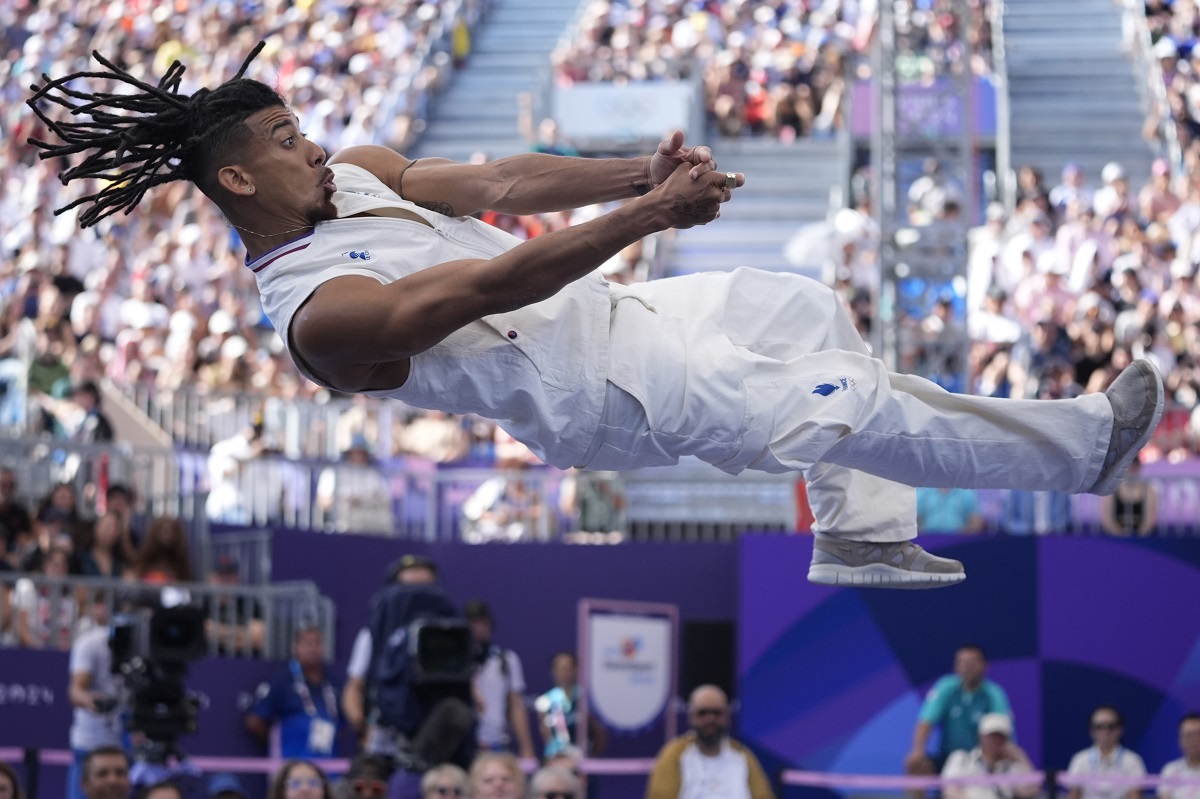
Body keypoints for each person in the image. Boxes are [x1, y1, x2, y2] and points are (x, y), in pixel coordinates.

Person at [29, 47, 1166, 590]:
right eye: (284, 143)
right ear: (237, 184)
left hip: (623, 315)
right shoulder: (316, 318)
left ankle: (860, 537)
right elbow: (479, 288)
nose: (313, 145)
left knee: (802, 303)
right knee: (840, 402)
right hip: (597, 395)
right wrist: (650, 216)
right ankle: (1080, 450)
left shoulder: (362, 170)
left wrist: (638, 173)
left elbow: (502, 187)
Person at [646, 684, 774, 799]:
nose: (710, 719)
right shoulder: (674, 755)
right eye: (703, 713)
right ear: (691, 717)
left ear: (727, 717)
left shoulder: (742, 757)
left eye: (717, 713)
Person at [906, 645, 1012, 780]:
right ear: (956, 666)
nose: (967, 667)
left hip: (982, 760)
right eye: (962, 662)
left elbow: (1004, 730)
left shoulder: (994, 693)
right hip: (947, 756)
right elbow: (926, 721)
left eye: (972, 662)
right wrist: (918, 750)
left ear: (985, 665)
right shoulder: (946, 687)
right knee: (915, 765)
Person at [246, 624, 342, 758]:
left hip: (328, 768)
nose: (312, 648)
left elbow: (343, 724)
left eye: (317, 643)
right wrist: (278, 742)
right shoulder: (280, 681)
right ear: (296, 647)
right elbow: (255, 721)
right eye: (307, 643)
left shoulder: (333, 683)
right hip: (291, 766)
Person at [463, 600, 535, 760]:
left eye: (483, 623)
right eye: (473, 623)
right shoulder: (454, 661)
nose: (479, 629)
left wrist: (527, 747)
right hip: (462, 745)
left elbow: (516, 705)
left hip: (496, 744)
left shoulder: (506, 660)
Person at [68, 602, 125, 799]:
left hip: (128, 742)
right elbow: (75, 690)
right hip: (91, 742)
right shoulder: (91, 643)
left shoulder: (152, 644)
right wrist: (92, 701)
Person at [941, 713, 1039, 799]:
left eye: (1001, 737)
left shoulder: (1012, 767)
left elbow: (1030, 792)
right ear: (980, 736)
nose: (996, 741)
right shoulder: (961, 759)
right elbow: (950, 791)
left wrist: (1021, 758)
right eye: (991, 736)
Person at [536, 651, 607, 760]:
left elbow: (598, 731)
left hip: (583, 756)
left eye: (568, 668)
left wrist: (592, 753)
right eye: (560, 668)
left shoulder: (586, 698)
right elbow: (547, 735)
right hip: (556, 758)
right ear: (553, 671)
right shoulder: (545, 701)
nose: (564, 672)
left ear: (576, 670)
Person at [1066, 705, 1146, 799]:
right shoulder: (1080, 760)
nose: (1105, 731)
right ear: (1091, 730)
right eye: (1099, 727)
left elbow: (1135, 796)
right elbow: (1073, 795)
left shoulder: (1133, 761)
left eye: (1111, 726)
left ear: (1120, 729)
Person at [1100, 456, 1158, 535]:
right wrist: (1118, 534)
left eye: (1134, 467)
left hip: (1141, 539)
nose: (1131, 471)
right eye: (1129, 467)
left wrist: (1140, 537)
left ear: (1138, 467)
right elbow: (1107, 519)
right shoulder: (1111, 490)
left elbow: (1149, 520)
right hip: (1117, 539)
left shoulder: (1149, 491)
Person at [1159, 713, 1200, 799]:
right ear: (1180, 740)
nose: (1194, 740)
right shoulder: (1170, 770)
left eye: (1198, 734)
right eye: (1188, 736)